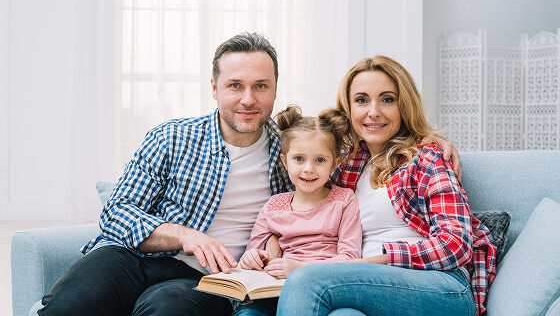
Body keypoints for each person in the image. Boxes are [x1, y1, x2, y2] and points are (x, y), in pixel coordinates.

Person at [38, 32, 461, 316]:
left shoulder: (293, 152)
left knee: (165, 308)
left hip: (209, 278)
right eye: (235, 85)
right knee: (74, 300)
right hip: (135, 256)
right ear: (214, 87)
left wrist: (432, 142)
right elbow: (115, 214)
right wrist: (185, 235)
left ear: (276, 89)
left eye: (261, 86)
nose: (248, 99)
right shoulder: (172, 137)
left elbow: (347, 143)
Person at [276, 56, 497, 316]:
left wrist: (372, 262)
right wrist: (270, 239)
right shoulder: (347, 167)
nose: (373, 112)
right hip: (366, 285)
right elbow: (302, 204)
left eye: (387, 99)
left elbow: (455, 245)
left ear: (404, 105)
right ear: (348, 109)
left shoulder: (426, 158)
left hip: (441, 287)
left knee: (306, 280)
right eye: (361, 100)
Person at [235, 105, 362, 315]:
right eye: (299, 159)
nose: (308, 168)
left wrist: (300, 268)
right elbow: (252, 253)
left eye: (320, 160)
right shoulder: (273, 206)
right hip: (275, 290)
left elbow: (350, 257)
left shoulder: (343, 200)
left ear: (334, 164)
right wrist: (253, 258)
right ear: (285, 161)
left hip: (326, 287)